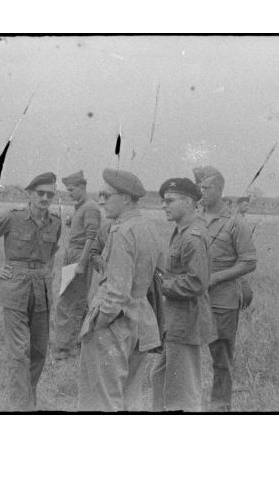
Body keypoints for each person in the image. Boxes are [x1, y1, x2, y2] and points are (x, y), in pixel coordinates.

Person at [78, 169, 163, 411]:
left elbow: (117, 294)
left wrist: (99, 322)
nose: (101, 200)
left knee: (101, 399)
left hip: (114, 324)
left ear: (126, 198)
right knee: (130, 397)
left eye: (106, 194)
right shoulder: (148, 227)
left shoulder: (121, 231)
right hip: (140, 320)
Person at [0, 172, 61, 411]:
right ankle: (22, 406)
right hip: (15, 289)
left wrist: (46, 274)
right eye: (41, 193)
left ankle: (26, 399)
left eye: (50, 194)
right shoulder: (13, 218)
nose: (45, 198)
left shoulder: (56, 222)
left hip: (42, 291)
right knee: (19, 352)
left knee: (39, 351)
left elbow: (52, 253)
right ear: (30, 194)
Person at [194, 167, 257, 411]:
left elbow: (249, 262)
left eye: (206, 188)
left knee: (221, 359)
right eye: (199, 188)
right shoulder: (195, 218)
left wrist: (216, 277)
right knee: (186, 353)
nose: (202, 192)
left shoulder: (235, 222)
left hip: (222, 302)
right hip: (193, 297)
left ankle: (220, 408)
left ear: (220, 190)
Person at [151, 177, 214, 412]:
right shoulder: (181, 232)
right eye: (162, 201)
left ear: (188, 202)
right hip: (176, 320)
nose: (163, 206)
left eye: (169, 201)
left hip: (186, 321)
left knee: (182, 392)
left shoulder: (192, 237)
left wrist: (160, 284)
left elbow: (197, 283)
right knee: (159, 376)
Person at [53, 170, 102, 359]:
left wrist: (81, 263)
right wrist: (70, 220)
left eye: (72, 189)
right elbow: (81, 228)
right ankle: (82, 341)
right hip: (73, 254)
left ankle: (64, 348)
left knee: (69, 302)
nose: (69, 193)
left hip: (80, 256)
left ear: (83, 187)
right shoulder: (81, 207)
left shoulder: (90, 207)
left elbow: (92, 236)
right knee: (77, 300)